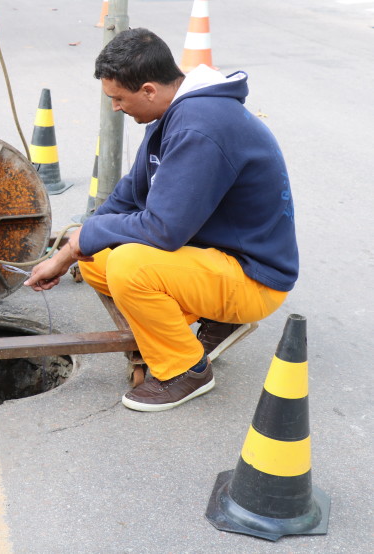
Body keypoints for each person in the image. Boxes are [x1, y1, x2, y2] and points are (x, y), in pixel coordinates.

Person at [24, 28, 298, 412]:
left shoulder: (200, 126)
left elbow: (163, 230)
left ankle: (186, 370)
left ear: (149, 90)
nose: (116, 108)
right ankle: (218, 320)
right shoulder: (172, 113)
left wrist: (82, 239)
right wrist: (72, 250)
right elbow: (127, 197)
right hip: (215, 256)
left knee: (128, 266)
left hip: (253, 276)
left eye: (119, 98)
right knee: (96, 261)